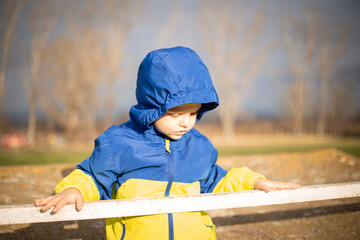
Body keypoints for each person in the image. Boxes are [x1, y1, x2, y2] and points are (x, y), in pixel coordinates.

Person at [35, 46, 299, 240]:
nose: (186, 123)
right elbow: (91, 176)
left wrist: (252, 182)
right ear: (151, 106)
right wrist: (74, 189)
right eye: (175, 114)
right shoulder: (120, 144)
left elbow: (216, 181)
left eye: (194, 113)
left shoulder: (199, 146)